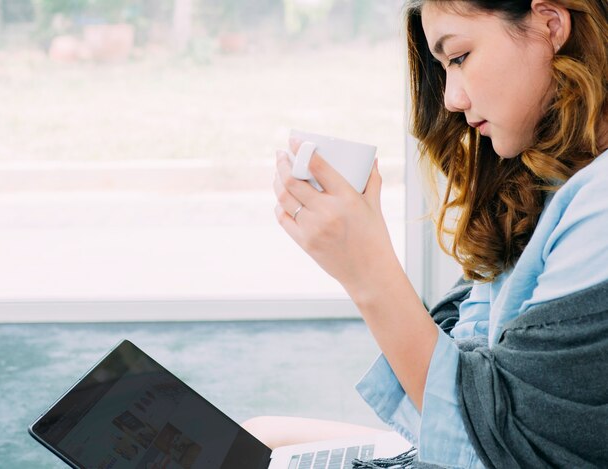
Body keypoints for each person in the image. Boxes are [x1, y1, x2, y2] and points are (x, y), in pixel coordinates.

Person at [244, 0, 608, 467]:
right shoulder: (548, 174)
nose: (451, 99)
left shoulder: (597, 206)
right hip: (467, 441)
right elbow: (472, 348)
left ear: (550, 24)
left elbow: (507, 447)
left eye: (459, 57)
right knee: (261, 436)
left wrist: (368, 273)